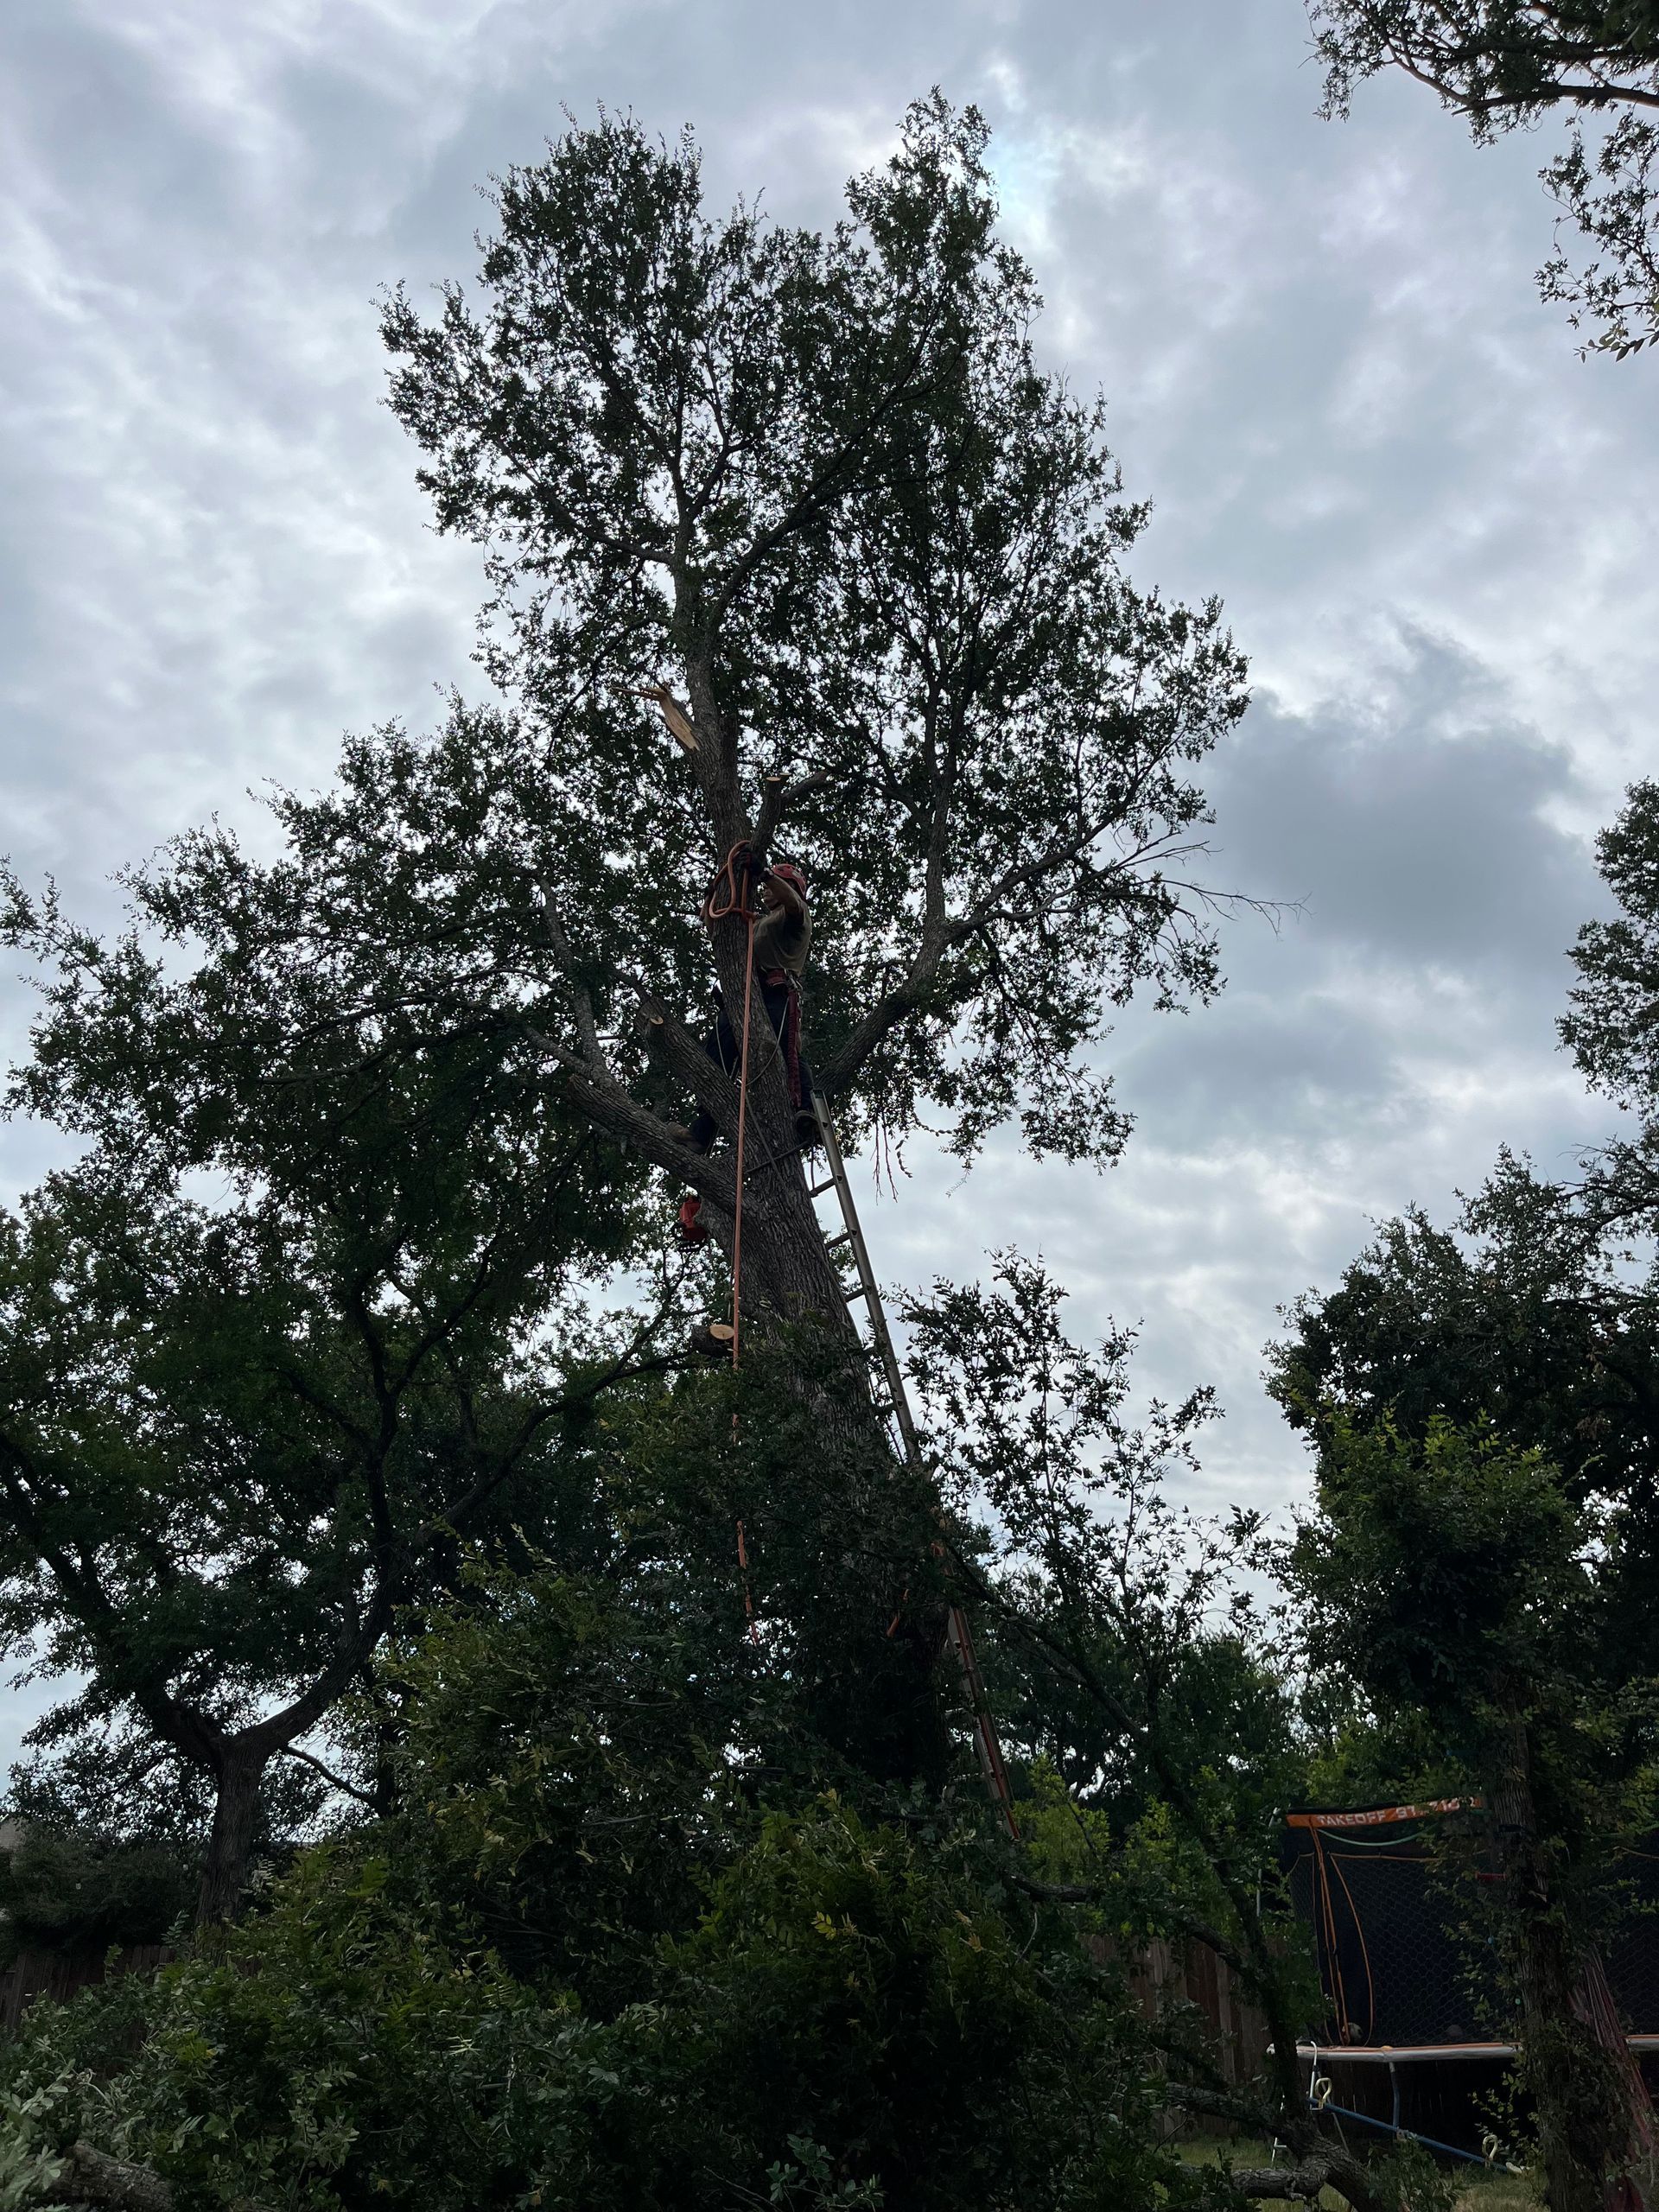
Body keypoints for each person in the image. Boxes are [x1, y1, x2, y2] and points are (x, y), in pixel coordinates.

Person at [679, 856, 817, 1154]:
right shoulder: (756, 921)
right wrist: (710, 898)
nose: (765, 891)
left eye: (774, 886)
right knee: (715, 1055)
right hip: (743, 997)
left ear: (789, 887)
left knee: (786, 1048)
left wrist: (765, 873)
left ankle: (806, 1111)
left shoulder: (796, 914)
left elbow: (792, 902)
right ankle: (702, 1132)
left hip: (777, 991)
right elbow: (716, 931)